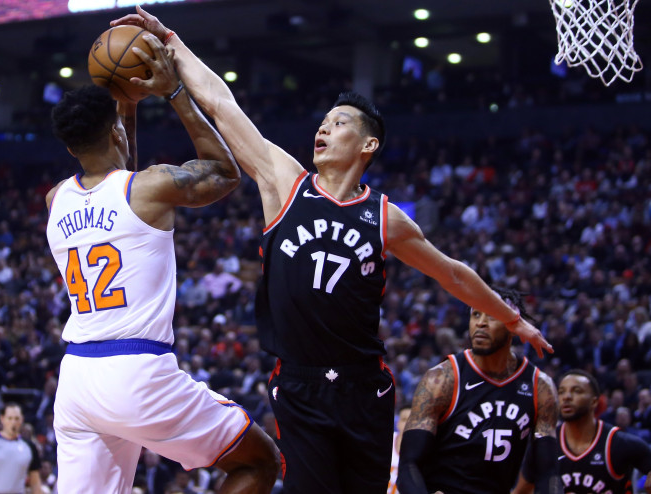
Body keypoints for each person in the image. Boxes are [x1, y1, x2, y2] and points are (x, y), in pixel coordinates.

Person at [110, 7, 553, 492]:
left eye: (338, 122)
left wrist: (511, 319)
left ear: (367, 145)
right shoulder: (285, 182)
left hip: (365, 388)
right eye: (322, 122)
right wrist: (170, 38)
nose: (322, 129)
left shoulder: (385, 216)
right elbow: (221, 102)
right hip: (301, 386)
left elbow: (452, 274)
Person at [45, 31, 278, 493]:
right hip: (137, 372)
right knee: (258, 462)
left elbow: (118, 176)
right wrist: (173, 92)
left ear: (71, 147)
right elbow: (226, 172)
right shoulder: (147, 188)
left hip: (76, 380)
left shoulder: (55, 200)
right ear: (113, 132)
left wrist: (124, 108)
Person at [396, 287, 561, 494]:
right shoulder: (442, 379)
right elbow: (409, 464)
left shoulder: (540, 387)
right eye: (476, 314)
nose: (480, 323)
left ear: (514, 325)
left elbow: (548, 473)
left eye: (491, 316)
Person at [513, 369, 651, 494]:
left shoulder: (618, 443)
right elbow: (521, 490)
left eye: (576, 391)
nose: (566, 397)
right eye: (561, 392)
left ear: (594, 402)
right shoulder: (544, 445)